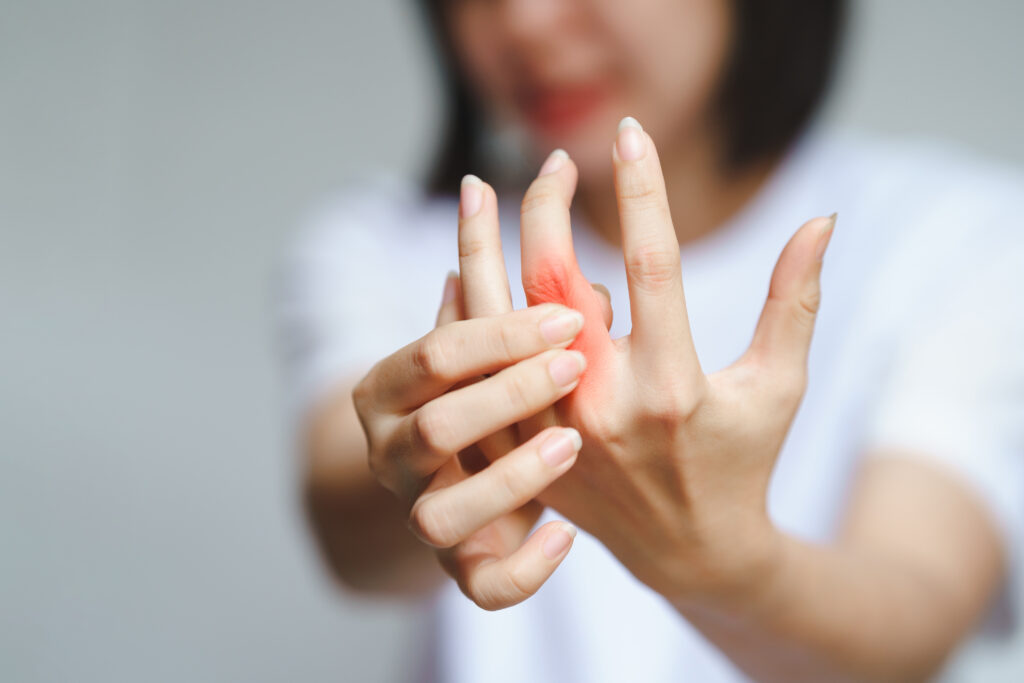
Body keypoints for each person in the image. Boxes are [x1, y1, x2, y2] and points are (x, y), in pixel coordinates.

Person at [278, 1, 1024, 680]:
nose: (527, 22)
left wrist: (727, 568)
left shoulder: (961, 237)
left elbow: (916, 608)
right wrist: (430, 460)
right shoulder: (385, 243)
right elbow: (344, 531)